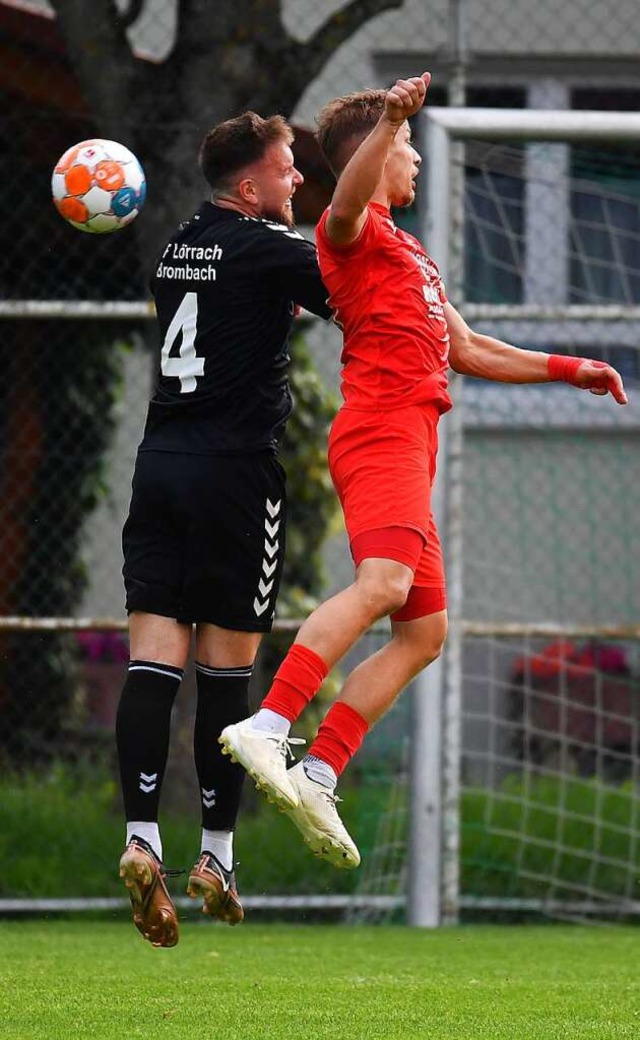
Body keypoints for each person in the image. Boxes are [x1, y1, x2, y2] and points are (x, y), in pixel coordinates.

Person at [220, 73, 628, 868]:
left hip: (410, 440)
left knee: (424, 631)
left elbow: (469, 350)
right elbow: (342, 203)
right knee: (383, 588)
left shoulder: (412, 255)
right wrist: (390, 121)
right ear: (375, 153)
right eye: (406, 146)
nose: (412, 161)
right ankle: (267, 723)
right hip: (380, 434)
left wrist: (572, 367)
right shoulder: (353, 233)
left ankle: (321, 767)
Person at [116, 111, 332, 947]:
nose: (296, 185)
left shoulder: (179, 244)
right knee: (228, 684)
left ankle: (140, 838)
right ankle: (215, 857)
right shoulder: (272, 248)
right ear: (250, 186)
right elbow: (347, 293)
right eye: (286, 172)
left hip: (160, 463)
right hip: (236, 477)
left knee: (152, 664)